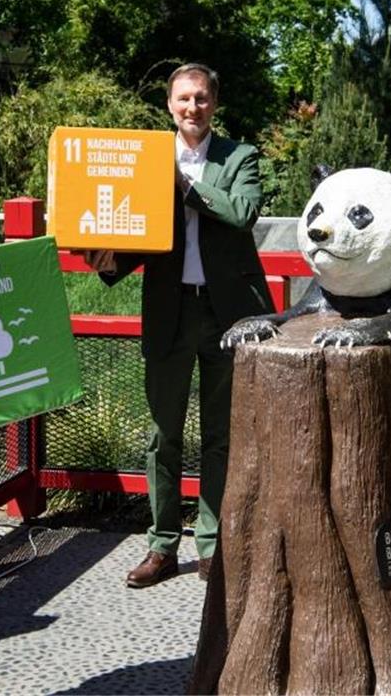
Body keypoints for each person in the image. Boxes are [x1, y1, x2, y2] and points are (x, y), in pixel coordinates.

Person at [85, 63, 273, 588]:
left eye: (203, 99)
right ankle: (162, 546)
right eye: (184, 99)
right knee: (163, 435)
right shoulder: (145, 160)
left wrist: (183, 187)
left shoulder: (240, 156)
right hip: (170, 310)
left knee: (220, 436)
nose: (193, 107)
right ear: (170, 105)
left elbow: (240, 213)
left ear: (215, 103)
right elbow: (130, 224)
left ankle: (212, 546)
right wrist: (107, 261)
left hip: (225, 312)